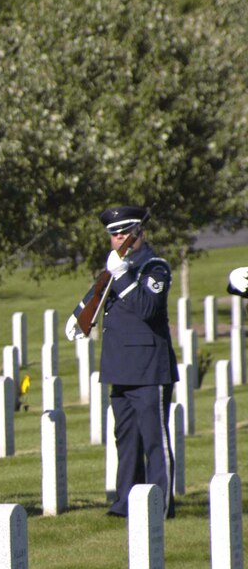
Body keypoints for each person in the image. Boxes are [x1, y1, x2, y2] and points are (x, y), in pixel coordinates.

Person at [65, 206, 177, 518]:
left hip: (149, 367)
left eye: (124, 232)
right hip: (119, 365)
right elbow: (98, 295)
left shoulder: (155, 267)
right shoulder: (117, 266)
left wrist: (122, 275)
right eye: (114, 234)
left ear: (140, 232)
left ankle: (161, 505)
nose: (119, 238)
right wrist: (78, 314)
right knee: (125, 438)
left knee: (155, 439)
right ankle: (126, 502)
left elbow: (146, 309)